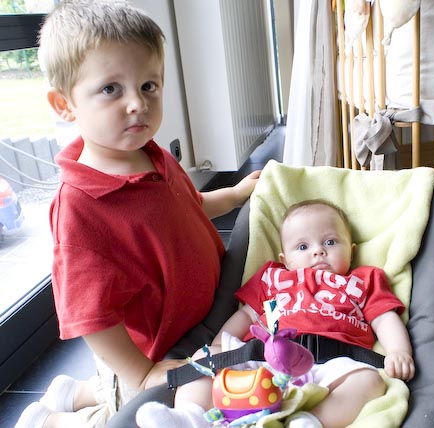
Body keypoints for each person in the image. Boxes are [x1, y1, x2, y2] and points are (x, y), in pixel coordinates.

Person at [15, 1, 260, 427]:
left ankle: (74, 392)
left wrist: (236, 194)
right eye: (111, 89)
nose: (137, 104)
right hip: (146, 354)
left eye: (149, 85)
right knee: (127, 411)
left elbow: (192, 208)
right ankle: (50, 420)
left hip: (192, 323)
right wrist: (141, 374)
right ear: (64, 104)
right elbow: (91, 317)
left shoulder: (153, 155)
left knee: (113, 385)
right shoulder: (81, 208)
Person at [136, 199, 415, 428]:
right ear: (285, 259)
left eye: (330, 242)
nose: (318, 252)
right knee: (203, 358)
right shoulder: (274, 278)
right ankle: (191, 417)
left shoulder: (363, 280)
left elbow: (384, 318)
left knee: (370, 382)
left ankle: (311, 421)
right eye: (303, 247)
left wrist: (398, 351)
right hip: (263, 358)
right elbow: (248, 315)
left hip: (332, 364)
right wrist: (221, 343)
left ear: (351, 251)